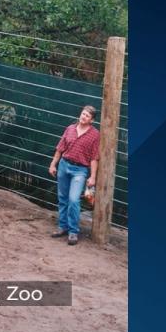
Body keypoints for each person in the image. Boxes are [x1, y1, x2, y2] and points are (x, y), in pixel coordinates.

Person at [48, 105, 100, 245]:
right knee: (63, 198)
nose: (84, 117)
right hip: (64, 166)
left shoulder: (95, 135)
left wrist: (93, 176)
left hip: (80, 170)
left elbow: (94, 157)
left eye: (87, 116)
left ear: (92, 120)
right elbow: (60, 148)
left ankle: (73, 232)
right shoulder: (70, 129)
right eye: (83, 114)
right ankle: (62, 227)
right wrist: (53, 164)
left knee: (73, 199)